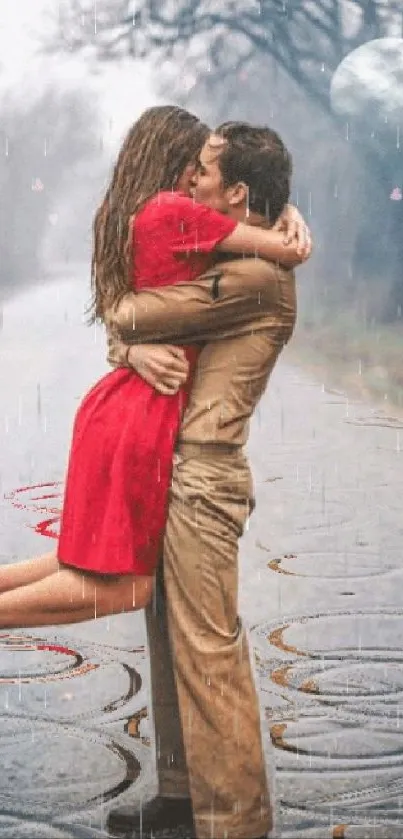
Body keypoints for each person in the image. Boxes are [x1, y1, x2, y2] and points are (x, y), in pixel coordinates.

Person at [0, 107, 307, 629]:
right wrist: (293, 221)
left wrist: (284, 208)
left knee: (82, 565)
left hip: (123, 404)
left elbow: (250, 211)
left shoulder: (136, 213)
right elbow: (282, 247)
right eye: (197, 165)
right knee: (127, 585)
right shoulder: (175, 211)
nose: (198, 178)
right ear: (174, 162)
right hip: (144, 414)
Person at [103, 122, 309, 839]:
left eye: (205, 172)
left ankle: (234, 822)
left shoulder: (252, 277)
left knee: (208, 645)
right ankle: (182, 794)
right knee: (169, 635)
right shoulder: (232, 256)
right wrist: (130, 347)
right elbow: (133, 323)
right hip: (176, 468)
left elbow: (128, 308)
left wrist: (126, 337)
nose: (190, 181)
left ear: (238, 192)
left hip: (203, 480)